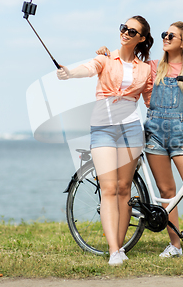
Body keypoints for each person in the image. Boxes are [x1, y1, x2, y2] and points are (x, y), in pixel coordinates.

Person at [97, 21, 183, 259]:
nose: (165, 37)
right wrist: (106, 55)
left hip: (182, 135)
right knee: (167, 193)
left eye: (171, 35)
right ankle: (175, 245)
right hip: (155, 136)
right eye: (164, 34)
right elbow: (125, 64)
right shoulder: (153, 67)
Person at [57, 16, 154, 266]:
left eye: (132, 31)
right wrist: (68, 72)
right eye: (123, 28)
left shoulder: (145, 69)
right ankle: (113, 251)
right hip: (103, 129)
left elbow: (150, 100)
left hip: (131, 130)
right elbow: (87, 68)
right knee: (108, 188)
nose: (125, 33)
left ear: (141, 38)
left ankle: (120, 247)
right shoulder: (105, 58)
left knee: (124, 189)